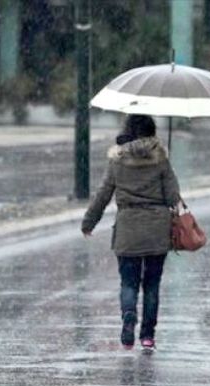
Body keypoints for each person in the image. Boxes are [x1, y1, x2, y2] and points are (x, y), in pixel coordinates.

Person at [81, 114, 181, 351]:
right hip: (157, 229)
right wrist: (166, 168)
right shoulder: (161, 159)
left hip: (128, 228)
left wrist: (89, 222)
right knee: (152, 284)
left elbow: (102, 195)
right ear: (152, 132)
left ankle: (128, 315)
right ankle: (147, 336)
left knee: (128, 283)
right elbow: (173, 197)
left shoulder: (118, 160)